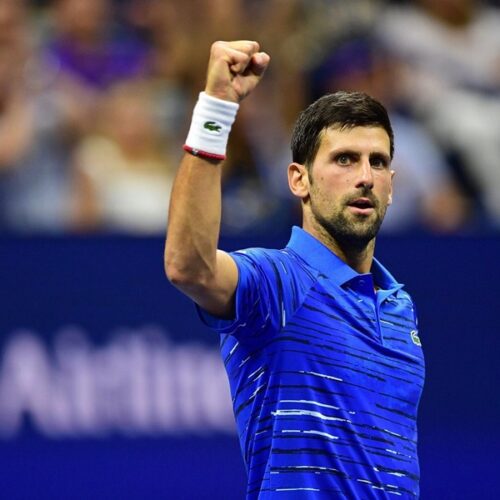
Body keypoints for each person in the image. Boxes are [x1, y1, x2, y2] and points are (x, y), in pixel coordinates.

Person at [165, 41, 425, 499]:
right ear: (298, 180)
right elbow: (190, 266)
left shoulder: (401, 308)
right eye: (344, 159)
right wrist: (217, 108)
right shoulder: (278, 282)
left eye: (377, 162)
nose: (365, 176)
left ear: (391, 188)